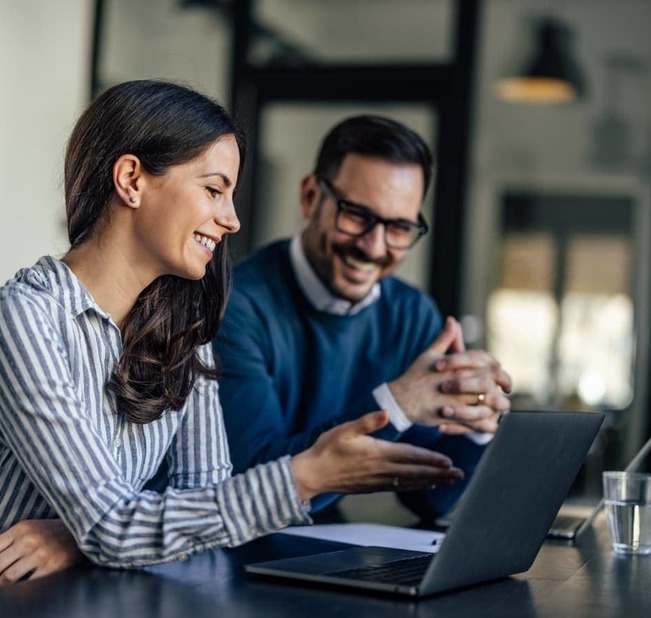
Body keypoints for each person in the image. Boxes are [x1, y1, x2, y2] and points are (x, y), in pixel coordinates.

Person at [0, 83, 464, 604]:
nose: (233, 220)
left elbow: (205, 513)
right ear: (132, 181)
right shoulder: (19, 322)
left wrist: (84, 533)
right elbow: (116, 527)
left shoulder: (181, 333)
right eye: (215, 190)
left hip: (85, 599)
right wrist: (307, 474)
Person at [213, 115, 513, 520]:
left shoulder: (412, 314)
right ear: (310, 196)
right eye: (356, 215)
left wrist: (477, 422)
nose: (374, 247)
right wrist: (396, 406)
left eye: (399, 227)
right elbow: (248, 483)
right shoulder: (233, 304)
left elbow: (427, 498)